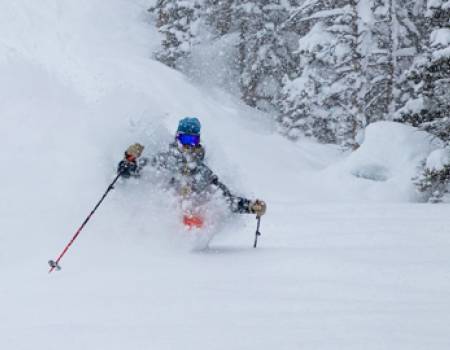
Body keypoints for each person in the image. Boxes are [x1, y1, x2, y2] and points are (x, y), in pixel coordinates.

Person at [117, 117, 266, 228]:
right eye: (184, 138)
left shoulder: (202, 171)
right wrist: (129, 160)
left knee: (197, 210)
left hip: (188, 219)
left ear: (198, 141)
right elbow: (132, 172)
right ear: (177, 138)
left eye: (192, 140)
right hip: (160, 215)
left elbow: (225, 199)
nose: (188, 144)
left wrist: (250, 206)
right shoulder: (164, 160)